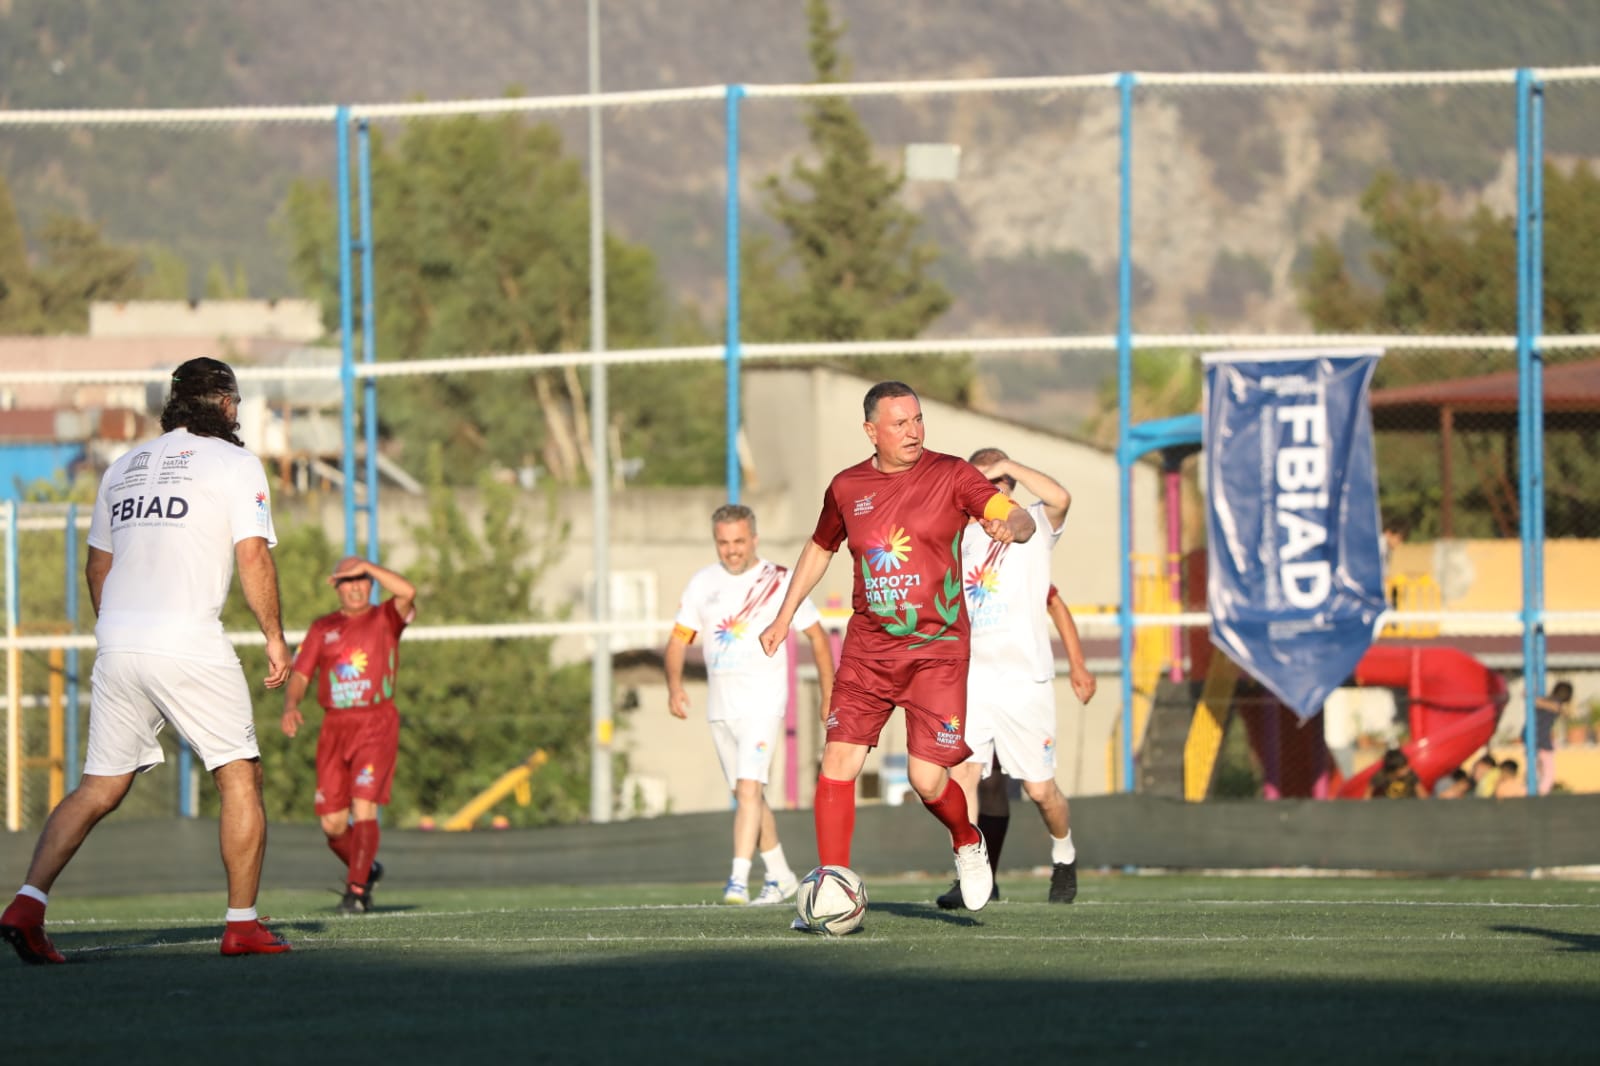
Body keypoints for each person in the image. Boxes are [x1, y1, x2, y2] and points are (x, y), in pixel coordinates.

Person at [1, 357, 293, 963]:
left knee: (100, 786)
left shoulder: (121, 467)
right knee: (239, 771)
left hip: (117, 642)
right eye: (234, 403)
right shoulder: (237, 463)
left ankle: (27, 903)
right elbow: (253, 558)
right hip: (187, 639)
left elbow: (97, 566)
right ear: (224, 404)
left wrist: (117, 630)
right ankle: (242, 924)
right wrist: (274, 636)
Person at [759, 381, 1036, 925]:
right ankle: (833, 886)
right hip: (868, 650)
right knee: (837, 761)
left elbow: (1015, 515)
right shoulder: (846, 487)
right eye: (899, 423)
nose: (913, 432)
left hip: (936, 651)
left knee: (927, 780)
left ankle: (966, 838)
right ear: (871, 431)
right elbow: (820, 547)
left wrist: (1016, 524)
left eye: (918, 420)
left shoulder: (953, 474)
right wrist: (784, 614)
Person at [937, 448, 1092, 909]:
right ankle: (971, 871)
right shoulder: (959, 536)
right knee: (963, 775)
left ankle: (1064, 855)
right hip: (973, 682)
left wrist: (1008, 468)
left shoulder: (1036, 526)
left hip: (1026, 682)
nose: (992, 496)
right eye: (982, 487)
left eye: (999, 486)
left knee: (1040, 790)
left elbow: (1062, 496)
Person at [665, 504, 835, 906]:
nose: (732, 550)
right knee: (750, 796)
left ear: (754, 539)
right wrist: (674, 686)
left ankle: (738, 880)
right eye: (723, 543)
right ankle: (781, 877)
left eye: (739, 541)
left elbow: (818, 639)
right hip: (720, 708)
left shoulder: (781, 580)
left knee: (748, 790)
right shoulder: (701, 583)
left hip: (763, 703)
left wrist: (828, 694)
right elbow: (677, 641)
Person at [281, 556, 417, 914]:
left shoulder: (385, 617)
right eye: (348, 580)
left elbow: (408, 590)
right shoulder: (322, 628)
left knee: (364, 805)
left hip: (375, 722)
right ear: (335, 586)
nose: (356, 586)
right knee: (333, 824)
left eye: (362, 580)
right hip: (335, 727)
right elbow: (300, 675)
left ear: (370, 583)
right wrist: (291, 705)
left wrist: (369, 566)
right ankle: (367, 869)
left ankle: (356, 892)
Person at [1531, 681, 1574, 796]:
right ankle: (1542, 792)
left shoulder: (1550, 702)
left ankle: (1538, 789)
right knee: (1548, 772)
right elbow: (1536, 702)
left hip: (1538, 739)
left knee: (1538, 768)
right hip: (1543, 741)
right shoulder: (1555, 704)